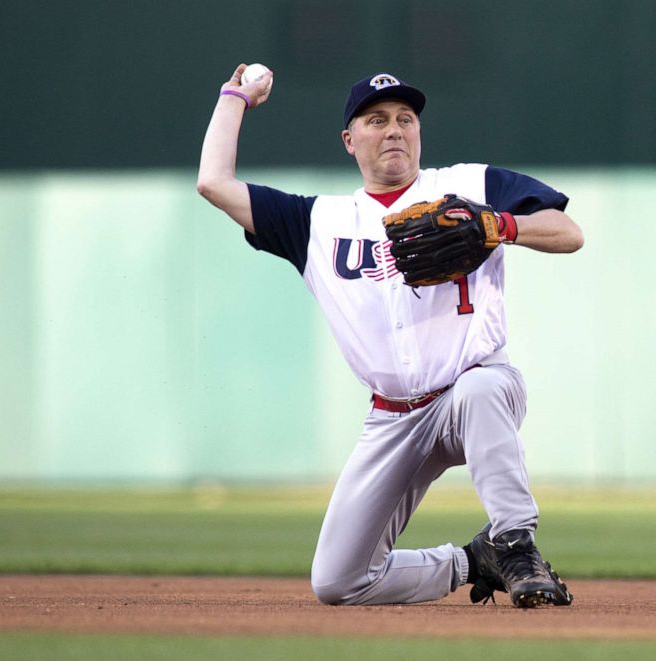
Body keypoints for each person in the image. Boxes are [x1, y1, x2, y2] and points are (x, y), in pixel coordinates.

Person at [197, 65, 584, 608]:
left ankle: (516, 544)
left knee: (481, 388)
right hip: (393, 418)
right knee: (338, 581)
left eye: (406, 118)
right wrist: (235, 97)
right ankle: (477, 559)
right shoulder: (316, 222)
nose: (395, 129)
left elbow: (569, 233)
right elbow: (213, 183)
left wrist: (501, 225)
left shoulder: (469, 186)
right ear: (349, 140)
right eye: (376, 121)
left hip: (470, 392)